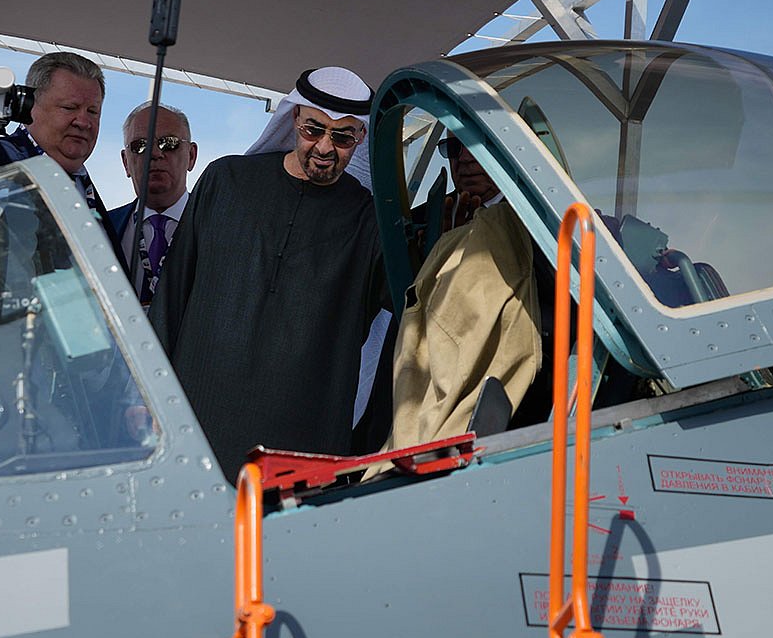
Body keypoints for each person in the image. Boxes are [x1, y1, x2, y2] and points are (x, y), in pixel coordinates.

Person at [149, 66, 386, 481]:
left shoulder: (369, 219)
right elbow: (173, 292)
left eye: (342, 137)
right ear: (294, 119)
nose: (325, 147)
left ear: (360, 138)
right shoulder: (226, 181)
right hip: (199, 418)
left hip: (302, 443)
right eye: (314, 129)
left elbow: (408, 298)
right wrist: (149, 392)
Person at [377, 136, 541, 461]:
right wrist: (429, 256)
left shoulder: (538, 227)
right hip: (406, 392)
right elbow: (386, 294)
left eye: (476, 144)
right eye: (454, 148)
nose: (464, 159)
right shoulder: (420, 219)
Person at [0, 51, 126, 264]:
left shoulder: (83, 185)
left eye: (93, 111)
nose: (84, 122)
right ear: (30, 105)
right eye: (69, 108)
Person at [108, 103, 197, 306]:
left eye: (169, 143)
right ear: (126, 162)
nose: (155, 153)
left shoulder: (219, 229)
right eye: (140, 146)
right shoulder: (101, 229)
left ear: (191, 156)